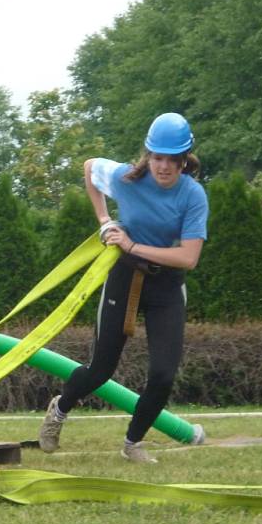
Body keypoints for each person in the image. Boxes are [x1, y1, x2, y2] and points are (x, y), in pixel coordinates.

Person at [38, 112, 208, 463]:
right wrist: (104, 220)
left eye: (171, 160)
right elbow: (89, 168)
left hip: (166, 285)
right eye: (157, 157)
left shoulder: (193, 195)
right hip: (124, 277)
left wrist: (131, 245)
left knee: (163, 374)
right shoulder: (126, 178)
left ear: (184, 160)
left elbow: (188, 257)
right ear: (148, 155)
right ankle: (61, 407)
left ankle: (133, 443)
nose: (163, 167)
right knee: (101, 369)